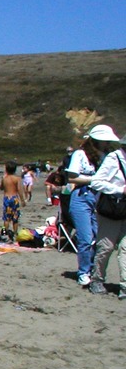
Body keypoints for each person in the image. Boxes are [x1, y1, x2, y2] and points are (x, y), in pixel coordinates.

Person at [65, 126, 115, 286]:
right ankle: (84, 272)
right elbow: (72, 177)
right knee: (85, 237)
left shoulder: (108, 156)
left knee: (98, 238)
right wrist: (94, 180)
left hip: (100, 199)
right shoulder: (80, 154)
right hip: (82, 197)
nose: (107, 143)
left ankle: (94, 269)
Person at [82, 126, 124, 295]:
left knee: (125, 248)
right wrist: (120, 190)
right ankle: (97, 279)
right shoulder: (114, 159)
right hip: (111, 209)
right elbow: (96, 182)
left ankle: (124, 286)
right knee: (106, 247)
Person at [0, 160, 27, 240]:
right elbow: (19, 190)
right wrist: (23, 200)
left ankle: (5, 233)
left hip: (7, 198)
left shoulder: (4, 178)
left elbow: (1, 188)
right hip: (14, 198)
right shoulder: (17, 178)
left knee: (6, 218)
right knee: (15, 218)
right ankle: (15, 234)